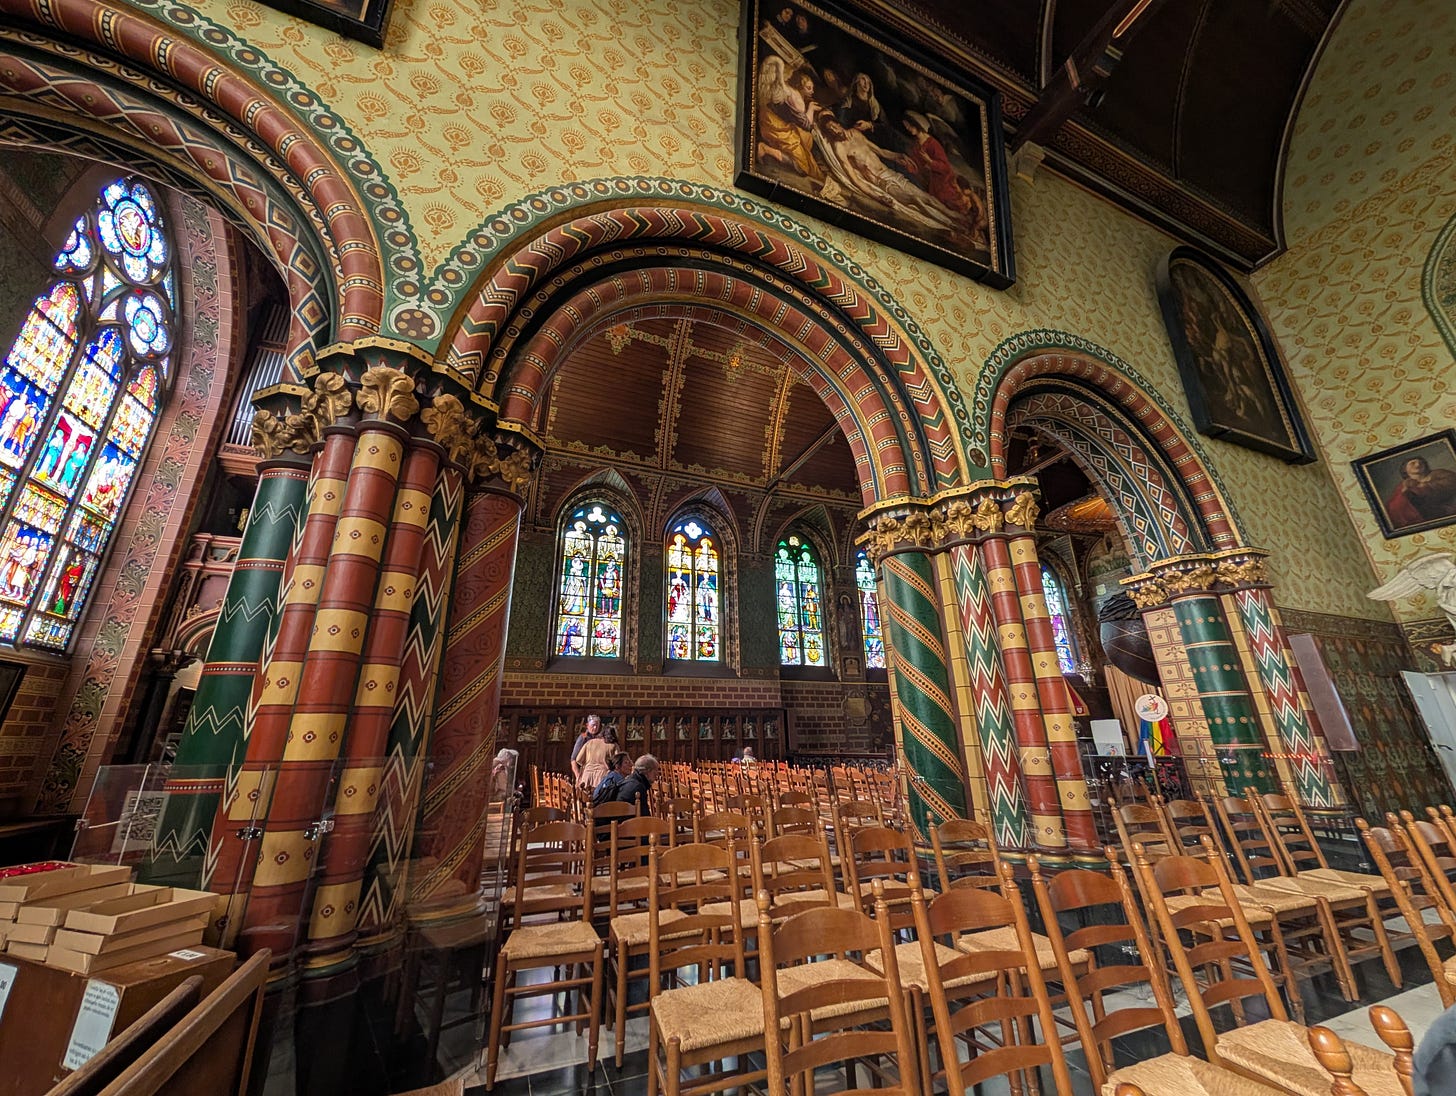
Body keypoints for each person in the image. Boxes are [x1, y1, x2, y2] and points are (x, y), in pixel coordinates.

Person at [1386, 456, 1456, 527]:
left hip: (1444, 512)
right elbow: (1393, 506)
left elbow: (1452, 481)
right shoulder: (1403, 485)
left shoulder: (1438, 473)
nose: (1418, 464)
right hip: (1418, 520)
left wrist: (1424, 487)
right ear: (1405, 469)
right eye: (1413, 463)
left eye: (1421, 463)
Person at [576, 725, 616, 791]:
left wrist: (586, 765)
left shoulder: (589, 742)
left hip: (587, 775)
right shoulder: (613, 746)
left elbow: (578, 759)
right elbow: (618, 762)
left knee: (585, 796)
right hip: (603, 777)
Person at [569, 713, 601, 783]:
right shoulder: (583, 737)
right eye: (593, 725)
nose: (595, 728)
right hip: (584, 772)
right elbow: (573, 759)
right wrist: (578, 776)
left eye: (597, 725)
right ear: (587, 725)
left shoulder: (600, 738)